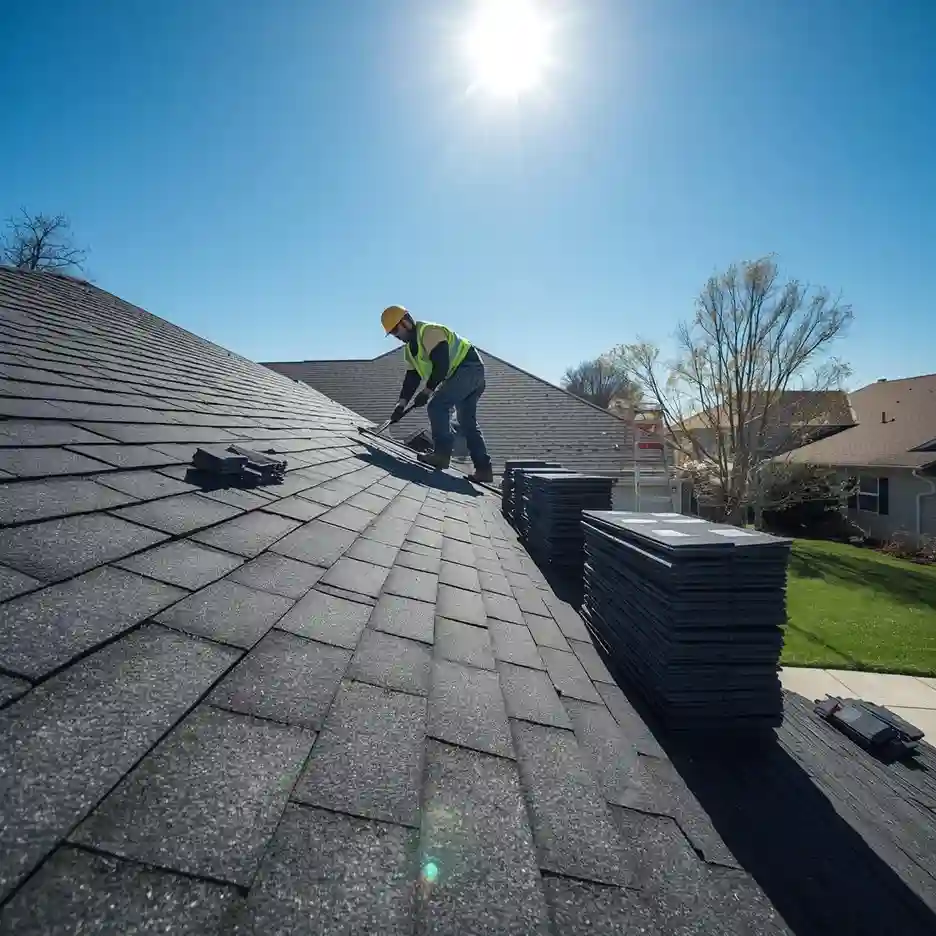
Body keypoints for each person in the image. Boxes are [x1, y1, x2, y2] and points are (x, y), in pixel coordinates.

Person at [381, 304, 494, 484]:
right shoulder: (410, 350)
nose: (396, 336)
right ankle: (484, 470)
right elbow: (412, 378)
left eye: (396, 330)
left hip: (468, 368)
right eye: (393, 333)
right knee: (466, 422)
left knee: (437, 405)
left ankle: (441, 455)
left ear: (405, 323)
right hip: (468, 374)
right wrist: (400, 405)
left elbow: (442, 363)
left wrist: (427, 391)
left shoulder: (429, 332)